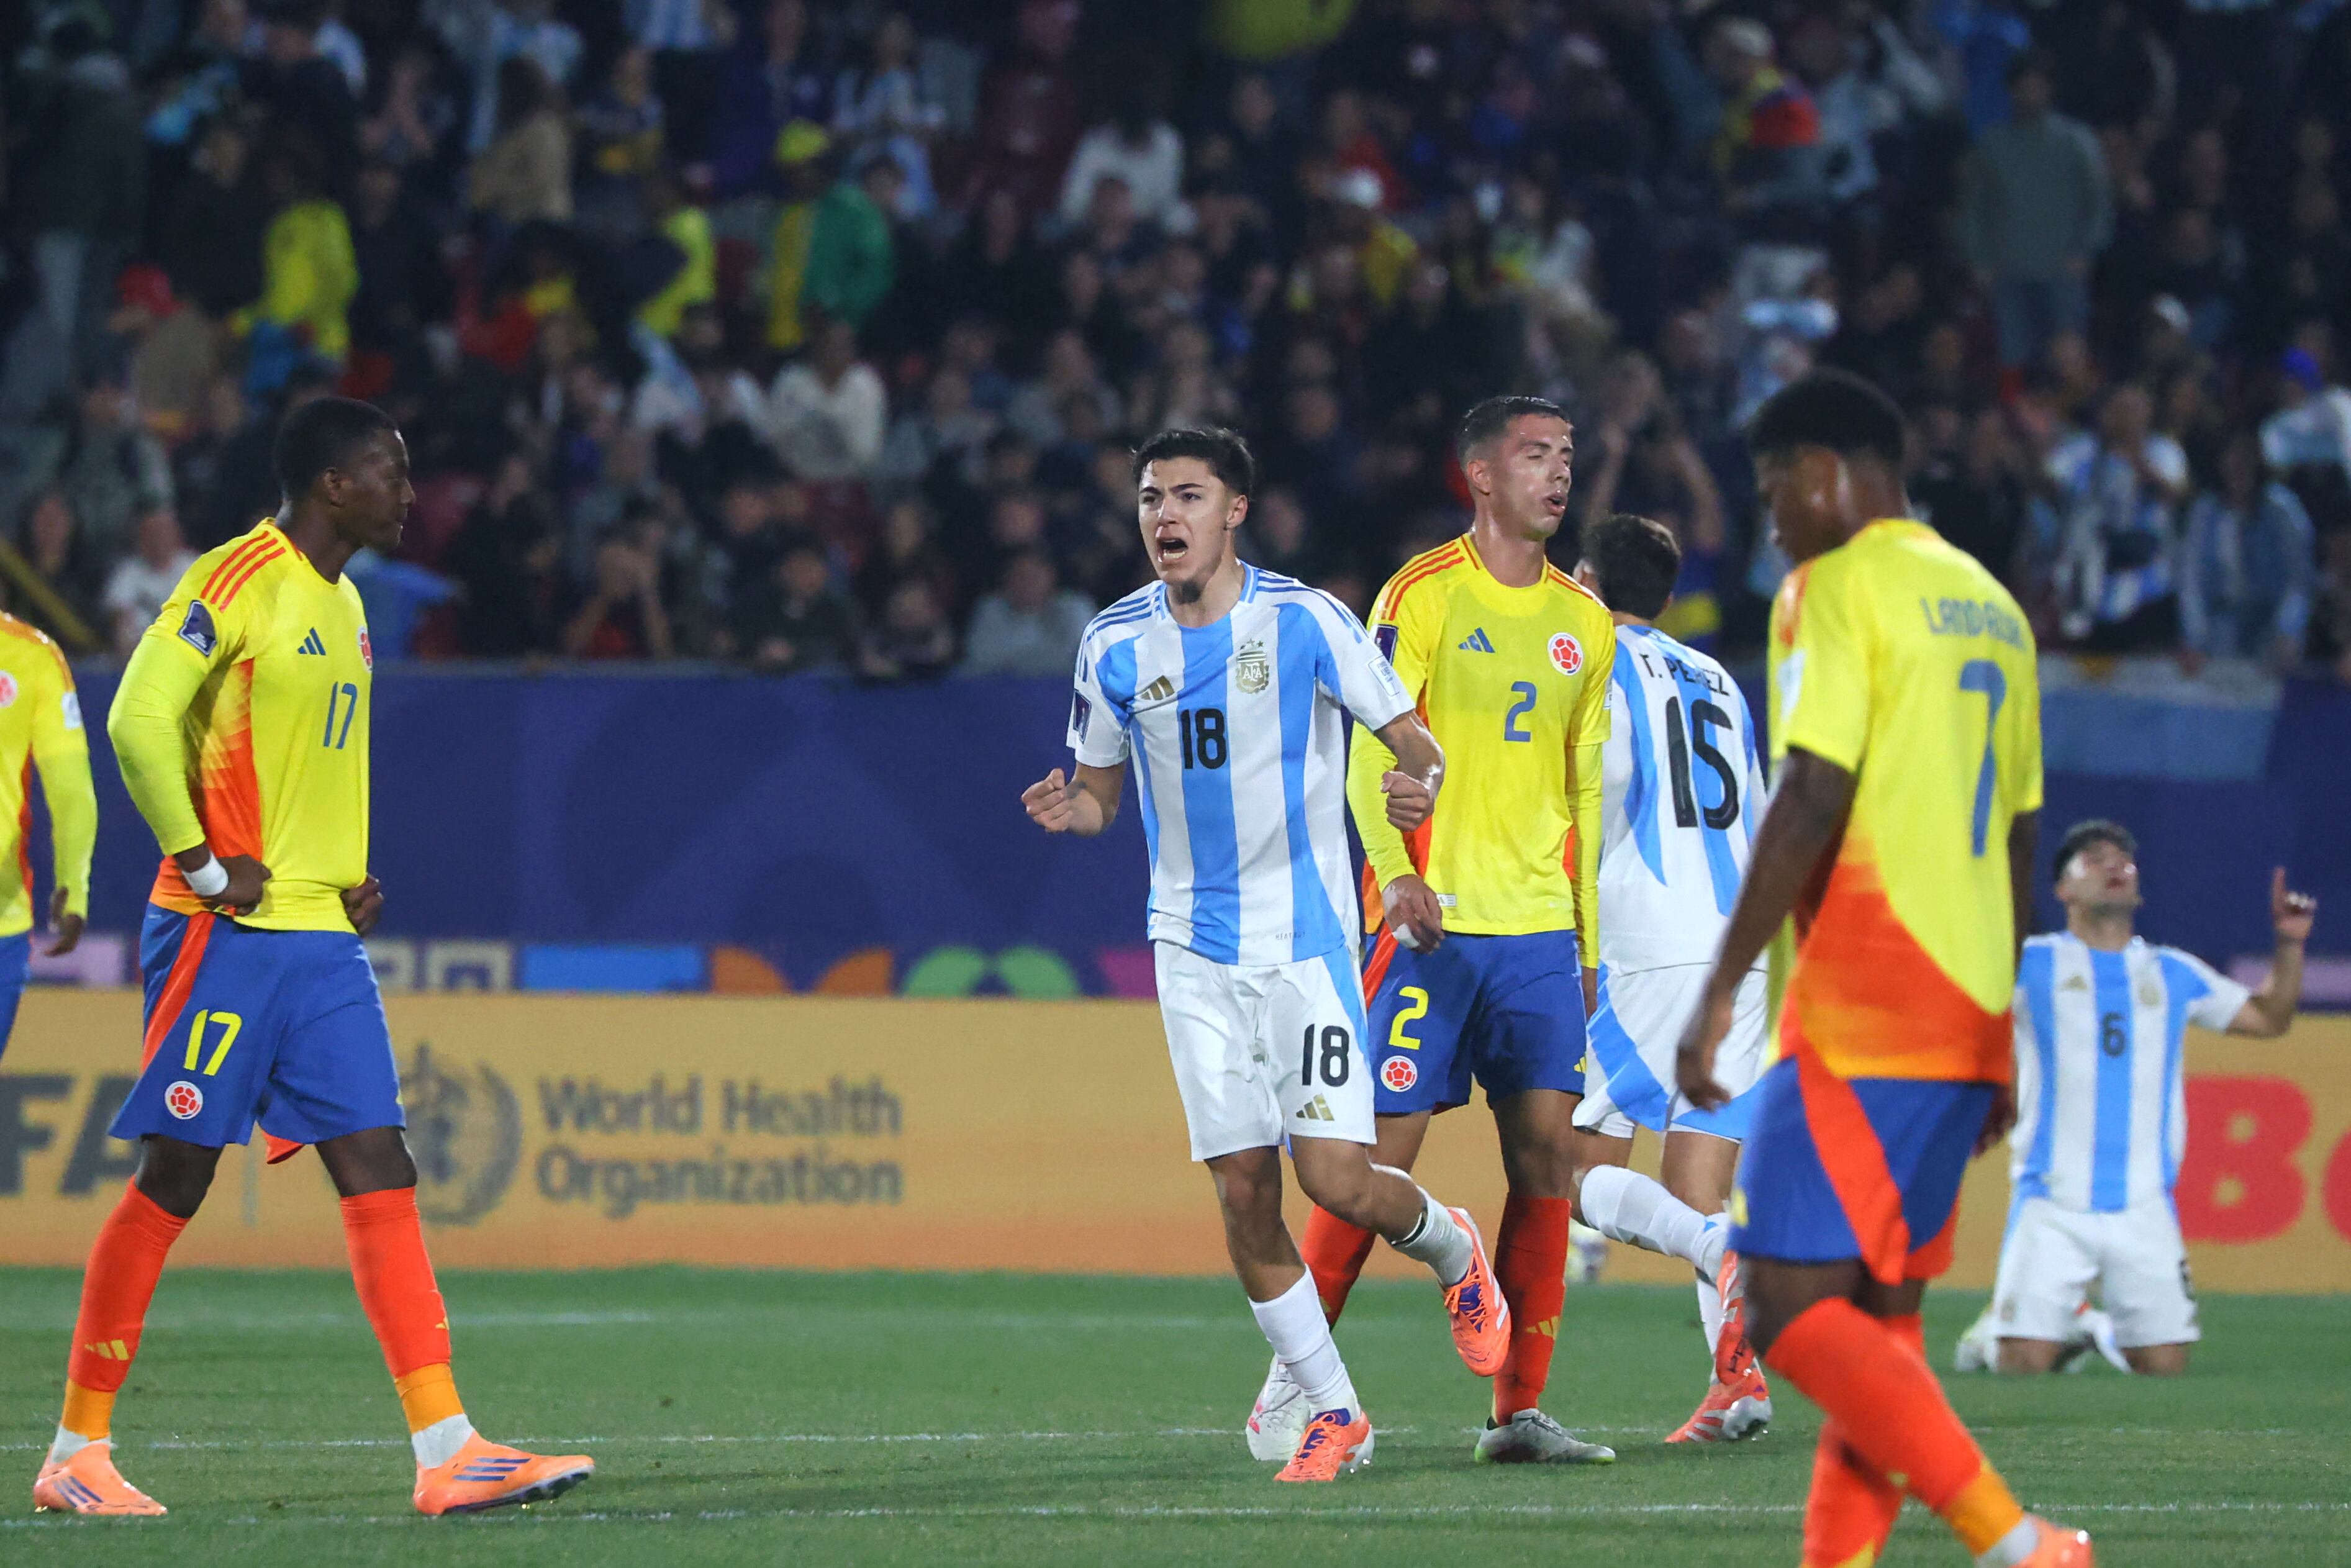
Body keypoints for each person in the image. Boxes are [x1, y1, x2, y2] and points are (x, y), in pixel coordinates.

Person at [34, 397, 593, 1517]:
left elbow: (306, 763)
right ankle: (75, 1454)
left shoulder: (345, 604)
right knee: (176, 1176)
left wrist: (341, 871)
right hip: (224, 934)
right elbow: (137, 721)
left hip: (320, 937)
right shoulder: (236, 578)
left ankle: (447, 1448)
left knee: (380, 1164)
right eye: (391, 472)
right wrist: (202, 866)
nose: (409, 494)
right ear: (334, 484)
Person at [1021, 427, 1510, 1485]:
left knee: (1336, 1182)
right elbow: (1102, 792)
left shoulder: (1307, 621)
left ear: (1234, 510)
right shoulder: (1113, 643)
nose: (1164, 516)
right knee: (1243, 1191)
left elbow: (1413, 739)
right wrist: (1075, 811)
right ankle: (1337, 1410)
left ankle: (1450, 1245)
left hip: (1305, 946)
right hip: (1189, 950)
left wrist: (1416, 785)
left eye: (1187, 496)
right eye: (1150, 498)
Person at [1675, 369, 2091, 1568]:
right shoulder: (1995, 608)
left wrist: (1721, 986)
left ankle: (2017, 1543)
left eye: (1773, 494)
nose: (1770, 527)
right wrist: (1999, 1030)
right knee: (1879, 1324)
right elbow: (2020, 834)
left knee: (1783, 1305)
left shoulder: (1834, 586)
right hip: (1964, 1004)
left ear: (1825, 473)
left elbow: (1813, 789)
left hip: (1865, 995)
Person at [1282, 396, 1619, 1468]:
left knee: (1546, 1162)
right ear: (1479, 473)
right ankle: (1302, 1390)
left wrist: (1588, 943)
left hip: (1538, 936)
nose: (1557, 474)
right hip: (1433, 926)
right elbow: (1370, 749)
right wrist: (1393, 876)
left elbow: (1584, 793)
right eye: (1534, 455)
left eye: (1566, 456)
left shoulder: (1586, 621)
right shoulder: (1421, 594)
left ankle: (1516, 1414)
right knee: (1368, 1162)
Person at [1954, 822, 2315, 1378]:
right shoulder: (2030, 963)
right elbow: (1964, 1008)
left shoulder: (2172, 971)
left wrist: (2289, 944)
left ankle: (2087, 1325)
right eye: (2094, 857)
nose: (2114, 864)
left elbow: (2269, 1018)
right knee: (2020, 1364)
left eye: (2123, 858)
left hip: (2145, 1205)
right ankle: (1990, 1340)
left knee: (2163, 1368)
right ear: (2063, 890)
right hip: (2051, 1200)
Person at [1565, 512, 1773, 1444]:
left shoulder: (1592, 662)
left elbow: (1597, 784)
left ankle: (1724, 1252)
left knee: (1575, 1172)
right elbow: (1755, 809)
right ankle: (1740, 1386)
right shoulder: (1719, 678)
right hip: (1741, 946)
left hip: (1650, 938)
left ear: (1582, 581)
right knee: (1696, 1182)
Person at [0, 610, 96, 1063]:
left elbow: (71, 792)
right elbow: (72, 792)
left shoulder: (32, 656)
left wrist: (74, 884)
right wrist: (73, 886)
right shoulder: (31, 655)